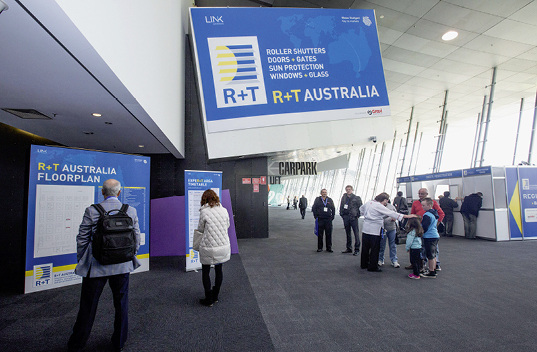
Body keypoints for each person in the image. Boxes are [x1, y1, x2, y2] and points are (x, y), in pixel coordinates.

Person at [68, 179, 141, 352]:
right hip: (122, 266)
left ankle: (77, 344)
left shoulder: (92, 211)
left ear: (102, 192)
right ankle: (119, 342)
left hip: (96, 266)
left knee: (88, 306)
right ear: (119, 193)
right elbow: (136, 238)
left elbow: (82, 238)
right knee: (121, 304)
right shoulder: (130, 210)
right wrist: (129, 255)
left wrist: (83, 260)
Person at [360, 193, 417, 272]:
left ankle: (364, 264)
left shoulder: (368, 203)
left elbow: (361, 210)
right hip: (375, 229)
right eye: (385, 201)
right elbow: (391, 213)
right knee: (374, 248)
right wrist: (406, 216)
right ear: (384, 200)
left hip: (366, 228)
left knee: (365, 248)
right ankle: (373, 266)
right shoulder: (378, 205)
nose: (385, 203)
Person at [193, 189, 231, 307]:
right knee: (219, 270)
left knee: (206, 271)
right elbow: (227, 225)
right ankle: (215, 296)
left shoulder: (204, 212)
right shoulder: (224, 210)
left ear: (204, 199)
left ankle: (208, 298)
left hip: (208, 246)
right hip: (222, 245)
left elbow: (201, 229)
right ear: (216, 198)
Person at [409, 188, 444, 271]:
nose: (420, 195)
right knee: (421, 247)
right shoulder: (415, 203)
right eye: (419, 193)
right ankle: (420, 264)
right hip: (419, 227)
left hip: (428, 230)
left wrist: (436, 224)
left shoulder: (432, 204)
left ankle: (436, 265)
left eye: (422, 194)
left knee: (432, 249)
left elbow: (441, 213)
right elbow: (413, 214)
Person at [339, 185, 363, 255]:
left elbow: (361, 207)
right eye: (347, 189)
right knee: (348, 233)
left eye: (349, 189)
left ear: (352, 190)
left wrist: (357, 215)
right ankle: (349, 248)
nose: (348, 190)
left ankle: (357, 249)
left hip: (353, 217)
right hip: (346, 217)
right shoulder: (344, 197)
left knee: (356, 233)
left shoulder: (357, 198)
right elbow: (341, 206)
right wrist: (342, 214)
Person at [420, 197, 440, 278]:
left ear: (429, 205)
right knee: (433, 254)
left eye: (424, 205)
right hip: (435, 235)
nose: (422, 207)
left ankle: (431, 272)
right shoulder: (434, 213)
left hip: (429, 236)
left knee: (430, 255)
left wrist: (419, 232)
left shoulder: (427, 215)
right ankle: (433, 269)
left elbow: (425, 227)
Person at [378, 199, 400, 267]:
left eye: (386, 200)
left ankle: (394, 260)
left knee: (393, 245)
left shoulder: (391, 207)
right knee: (382, 244)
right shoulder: (378, 207)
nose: (385, 202)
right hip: (382, 228)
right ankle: (380, 259)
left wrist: (395, 218)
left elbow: (396, 215)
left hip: (392, 228)